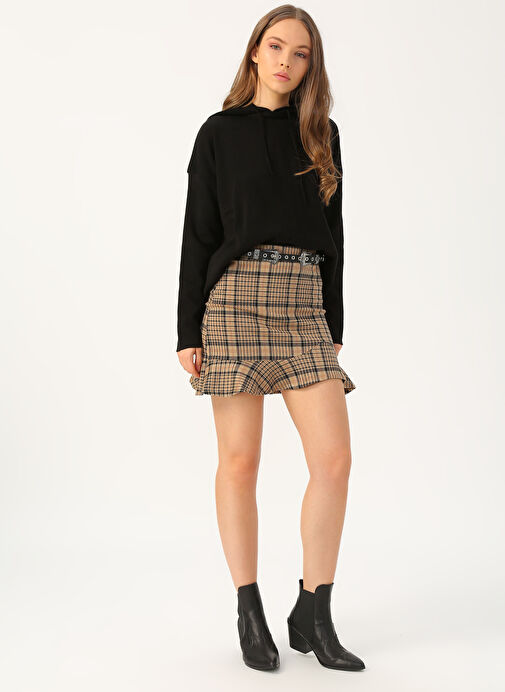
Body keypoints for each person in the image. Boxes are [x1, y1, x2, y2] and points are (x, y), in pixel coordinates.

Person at [176, 5, 365, 672]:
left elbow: (334, 234)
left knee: (333, 461)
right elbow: (198, 231)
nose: (286, 60)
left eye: (300, 52)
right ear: (255, 51)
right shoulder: (219, 133)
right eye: (276, 46)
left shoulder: (321, 135)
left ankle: (313, 611)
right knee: (239, 462)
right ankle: (248, 608)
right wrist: (187, 328)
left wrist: (333, 321)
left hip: (303, 303)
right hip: (233, 302)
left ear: (311, 66)